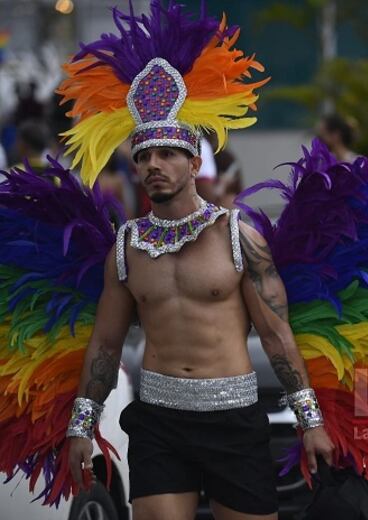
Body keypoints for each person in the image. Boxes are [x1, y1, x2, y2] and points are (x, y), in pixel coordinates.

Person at [57, 2, 332, 519]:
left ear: (192, 160)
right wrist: (82, 425)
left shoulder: (238, 236)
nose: (154, 165)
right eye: (143, 156)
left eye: (166, 153)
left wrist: (309, 420)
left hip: (234, 420)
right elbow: (107, 342)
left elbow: (276, 336)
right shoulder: (126, 245)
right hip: (159, 421)